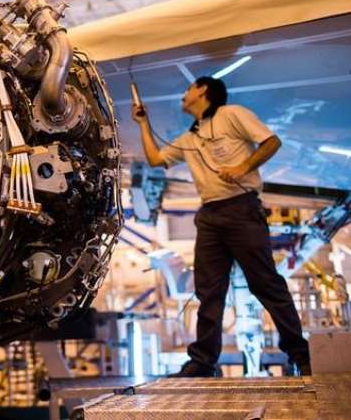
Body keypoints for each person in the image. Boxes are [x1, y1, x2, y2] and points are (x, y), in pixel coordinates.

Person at [132, 76, 311, 377]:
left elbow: (271, 142)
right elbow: (155, 159)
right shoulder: (190, 138)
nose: (184, 94)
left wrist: (242, 167)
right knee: (209, 291)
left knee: (265, 284)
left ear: (202, 90)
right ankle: (202, 362)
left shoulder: (231, 114)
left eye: (188, 89)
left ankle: (300, 355)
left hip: (242, 208)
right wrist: (142, 124)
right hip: (210, 216)